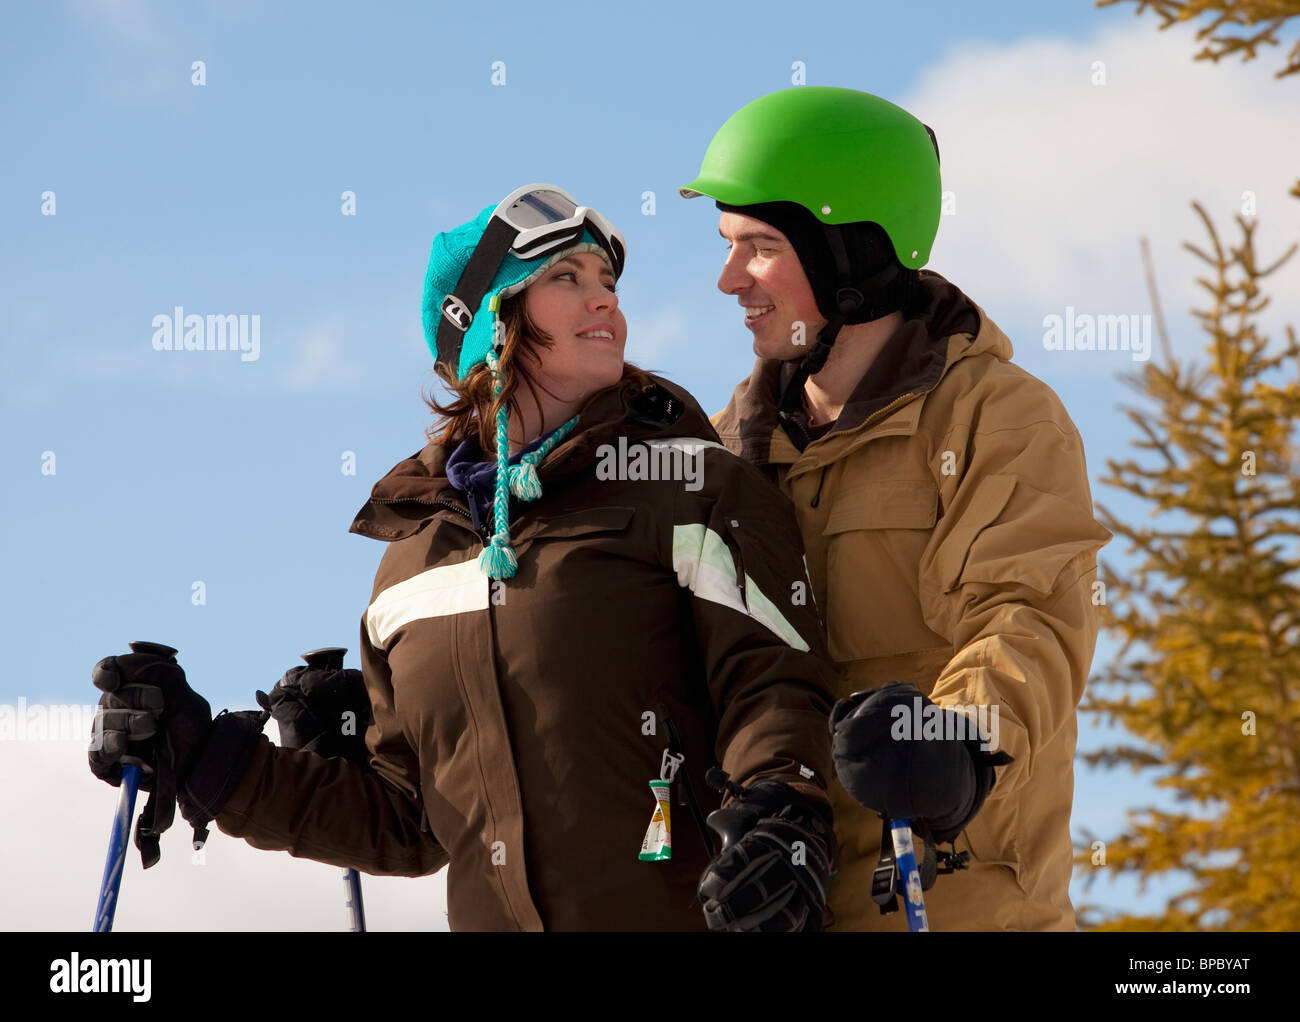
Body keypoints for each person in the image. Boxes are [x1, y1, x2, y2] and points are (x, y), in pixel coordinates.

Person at [88, 183, 839, 932]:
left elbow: (772, 685)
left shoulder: (691, 486)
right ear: (488, 323)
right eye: (565, 280)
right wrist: (212, 762)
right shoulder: (412, 563)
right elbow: (407, 817)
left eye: (607, 282)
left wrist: (782, 816)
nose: (605, 300)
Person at [678, 87, 1113, 931]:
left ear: (850, 253)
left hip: (956, 896)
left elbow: (1030, 615)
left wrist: (957, 743)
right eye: (729, 246)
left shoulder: (994, 416)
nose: (730, 280)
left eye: (760, 248)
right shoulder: (730, 449)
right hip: (783, 904)